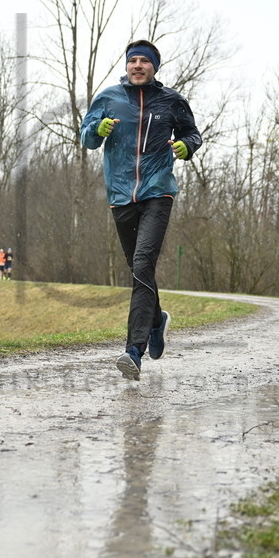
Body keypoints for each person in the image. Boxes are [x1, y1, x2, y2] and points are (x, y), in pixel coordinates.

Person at [80, 39, 202, 381]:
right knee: (138, 268)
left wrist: (185, 146)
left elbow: (193, 134)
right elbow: (86, 137)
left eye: (144, 61)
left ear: (154, 67)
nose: (137, 65)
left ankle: (134, 350)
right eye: (132, 60)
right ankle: (156, 319)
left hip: (157, 192)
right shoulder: (108, 99)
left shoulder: (172, 101)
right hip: (120, 195)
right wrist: (97, 130)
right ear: (126, 66)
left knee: (142, 263)